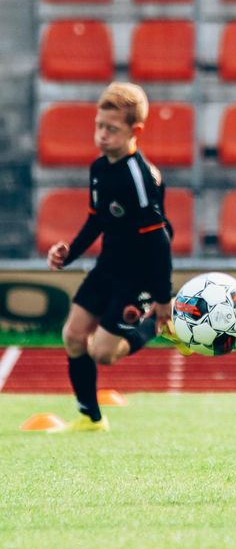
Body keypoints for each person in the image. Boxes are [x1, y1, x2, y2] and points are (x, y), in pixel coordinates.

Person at [46, 82, 190, 433]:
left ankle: (160, 322)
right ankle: (91, 419)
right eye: (98, 126)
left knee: (103, 354)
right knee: (73, 336)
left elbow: (159, 240)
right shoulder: (99, 167)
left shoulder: (139, 178)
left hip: (139, 275)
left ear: (134, 131)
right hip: (108, 266)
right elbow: (96, 218)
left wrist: (162, 297)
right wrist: (70, 253)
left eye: (111, 129)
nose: (101, 135)